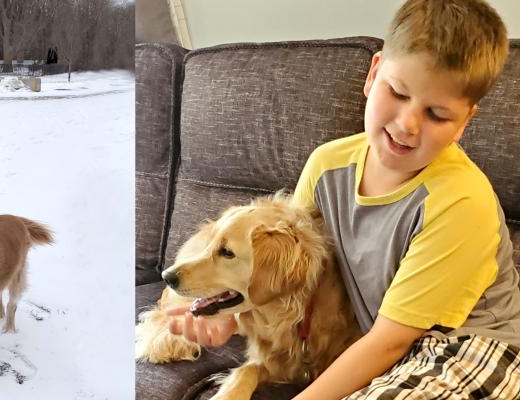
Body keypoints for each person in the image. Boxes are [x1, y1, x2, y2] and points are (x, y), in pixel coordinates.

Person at [168, 0, 520, 397]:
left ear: (464, 123)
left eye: (437, 114)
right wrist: (227, 315)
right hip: (392, 354)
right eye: (398, 92)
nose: (407, 125)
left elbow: (389, 341)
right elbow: (289, 276)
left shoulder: (461, 202)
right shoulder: (326, 165)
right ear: (373, 74)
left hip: (473, 350)